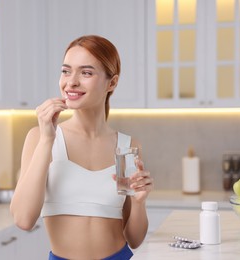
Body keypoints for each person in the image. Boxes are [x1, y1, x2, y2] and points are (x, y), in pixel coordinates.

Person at [10, 35, 154, 260]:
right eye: (66, 71)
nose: (71, 82)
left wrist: (138, 202)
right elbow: (23, 219)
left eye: (86, 73)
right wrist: (48, 139)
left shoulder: (127, 145)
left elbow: (134, 238)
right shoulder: (39, 137)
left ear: (112, 83)